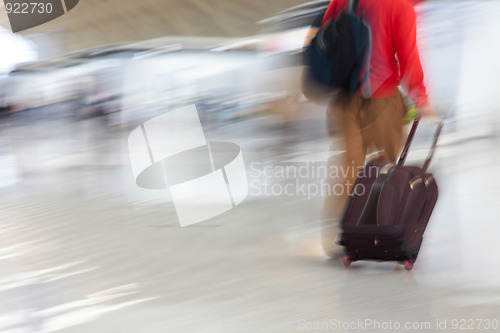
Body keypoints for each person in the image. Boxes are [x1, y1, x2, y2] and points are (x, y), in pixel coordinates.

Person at [319, 0, 435, 257]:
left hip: (344, 100)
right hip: (382, 99)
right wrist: (421, 97)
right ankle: (380, 234)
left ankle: (338, 235)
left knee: (349, 167)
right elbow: (408, 54)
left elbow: (325, 34)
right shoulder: (400, 6)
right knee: (387, 169)